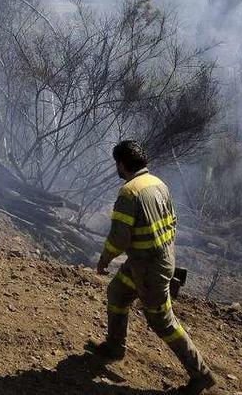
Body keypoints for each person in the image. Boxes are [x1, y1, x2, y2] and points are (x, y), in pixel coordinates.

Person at [89, 140, 216, 395]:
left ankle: (201, 375)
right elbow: (173, 222)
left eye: (116, 163)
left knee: (162, 322)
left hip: (149, 269)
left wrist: (104, 260)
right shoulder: (159, 184)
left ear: (121, 164)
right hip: (149, 262)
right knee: (117, 293)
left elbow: (119, 238)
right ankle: (115, 347)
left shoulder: (129, 192)